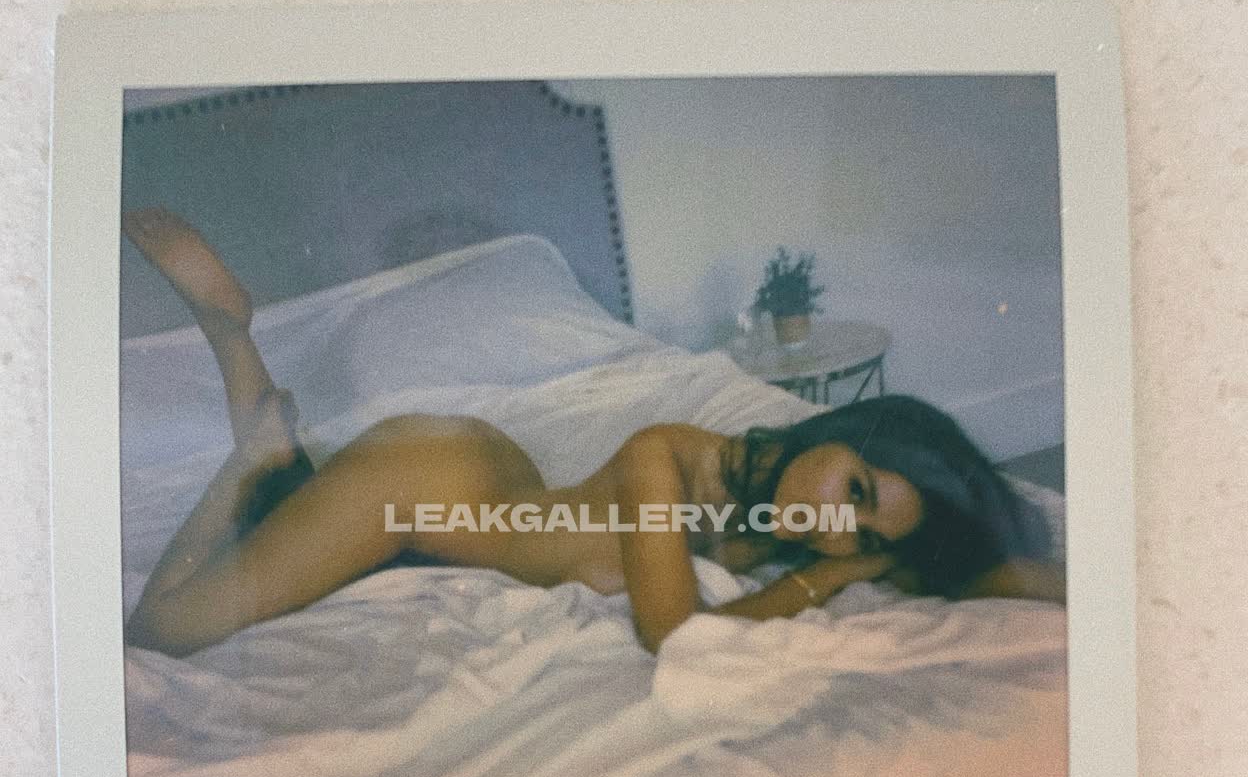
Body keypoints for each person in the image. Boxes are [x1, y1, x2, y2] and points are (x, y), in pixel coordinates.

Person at [121, 208, 1064, 659]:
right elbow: (672, 632)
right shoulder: (666, 458)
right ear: (840, 432)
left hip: (494, 475)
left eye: (861, 531)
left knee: (286, 518)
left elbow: (965, 566)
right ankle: (236, 370)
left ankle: (261, 413)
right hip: (425, 484)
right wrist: (828, 580)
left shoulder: (785, 512)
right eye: (853, 490)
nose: (837, 527)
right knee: (165, 629)